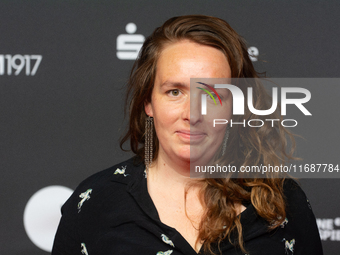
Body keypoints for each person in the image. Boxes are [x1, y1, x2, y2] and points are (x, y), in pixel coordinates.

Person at [52, 15, 323, 255]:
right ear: (149, 103)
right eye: (175, 92)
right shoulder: (93, 204)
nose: (192, 114)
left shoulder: (284, 204)